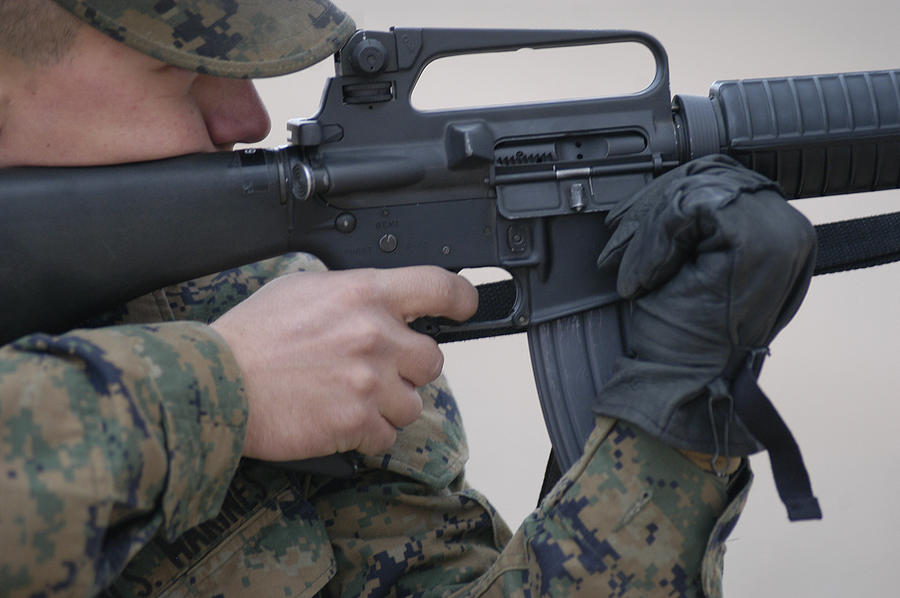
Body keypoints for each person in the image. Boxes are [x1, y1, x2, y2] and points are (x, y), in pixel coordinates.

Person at [0, 1, 818, 596]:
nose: (245, 118)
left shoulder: (270, 310)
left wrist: (675, 390)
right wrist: (226, 390)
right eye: (181, 73)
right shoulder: (252, 351)